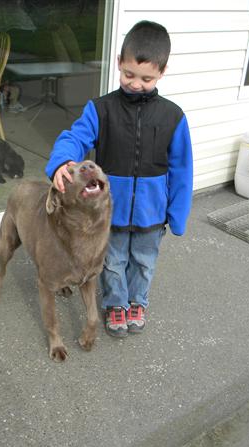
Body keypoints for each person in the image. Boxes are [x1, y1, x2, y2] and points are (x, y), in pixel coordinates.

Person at [45, 21, 193, 338]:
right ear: (118, 63)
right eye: (128, 75)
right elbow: (74, 137)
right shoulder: (100, 110)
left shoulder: (174, 116)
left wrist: (177, 215)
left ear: (162, 72)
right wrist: (62, 161)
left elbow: (182, 169)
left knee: (143, 261)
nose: (136, 84)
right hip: (106, 213)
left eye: (146, 78)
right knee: (112, 261)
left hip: (152, 214)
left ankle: (137, 302)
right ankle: (115, 304)